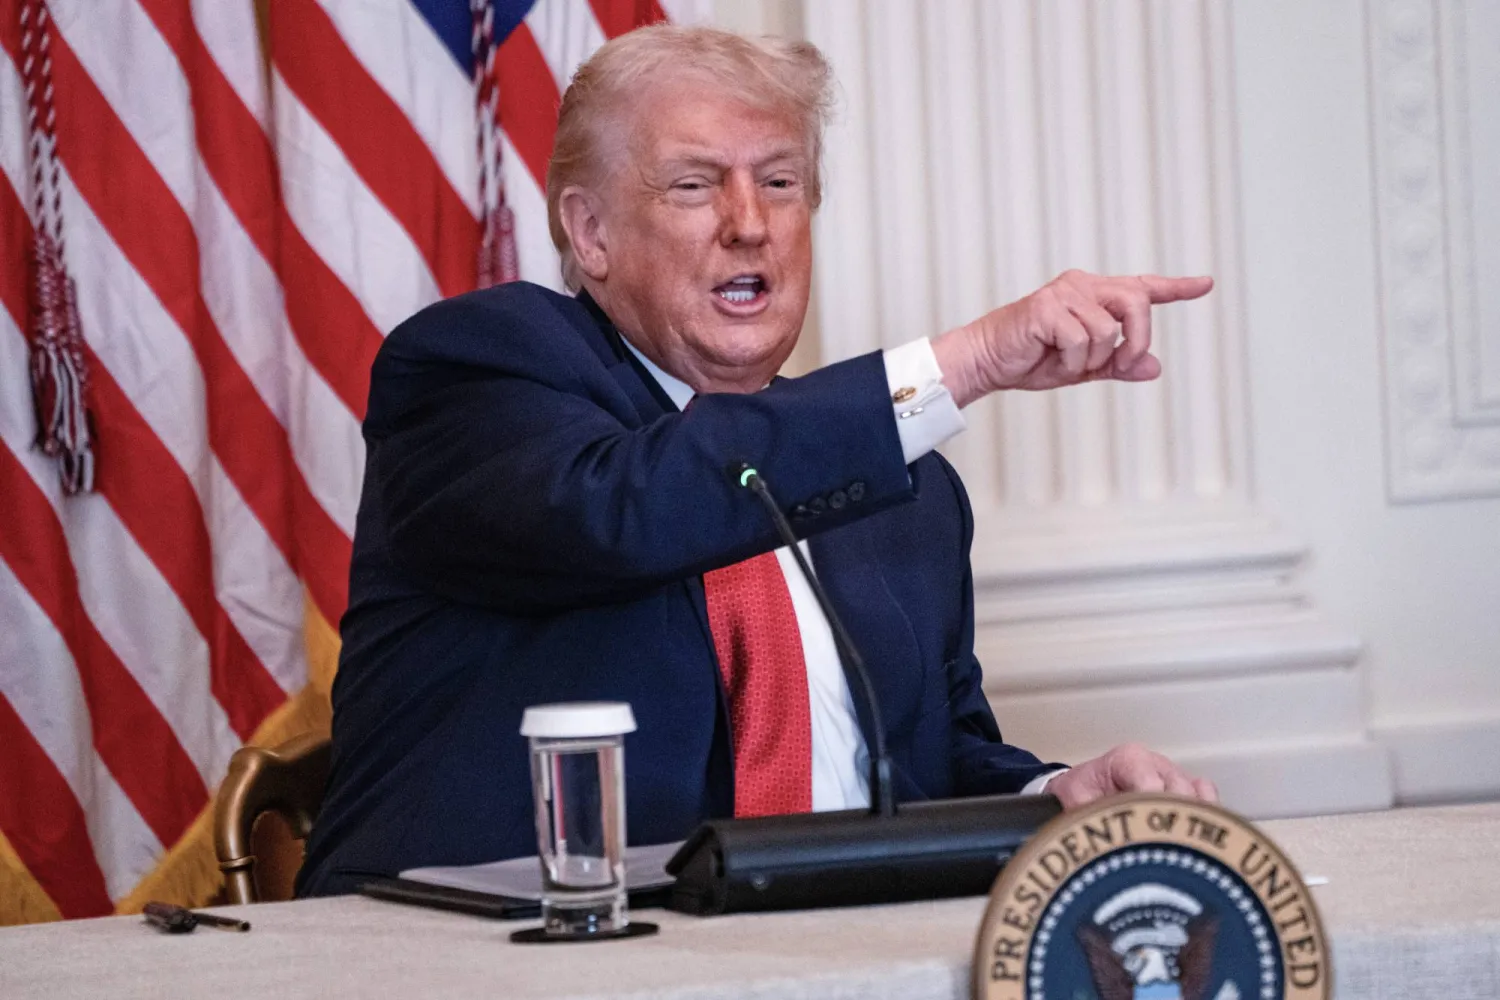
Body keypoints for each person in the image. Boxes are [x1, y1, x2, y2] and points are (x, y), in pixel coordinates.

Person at [296, 24, 1217, 897]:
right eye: (694, 186)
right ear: (590, 233)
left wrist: (1052, 797)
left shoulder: (906, 489)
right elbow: (624, 508)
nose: (749, 224)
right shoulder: (480, 369)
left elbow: (931, 770)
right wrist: (965, 363)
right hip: (495, 962)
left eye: (779, 183)